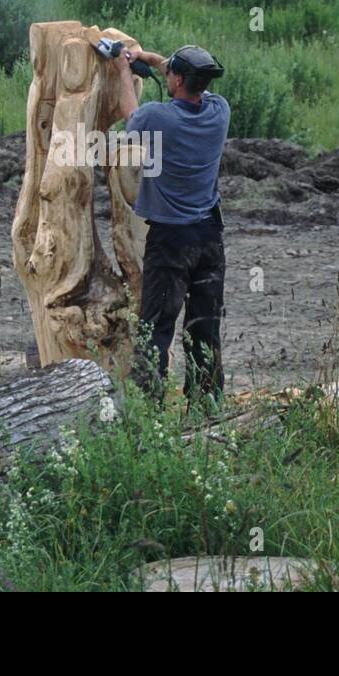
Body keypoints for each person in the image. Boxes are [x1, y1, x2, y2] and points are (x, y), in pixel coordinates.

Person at [110, 43, 229, 408]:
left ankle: (147, 411)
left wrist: (121, 70)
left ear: (176, 79)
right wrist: (148, 58)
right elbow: (187, 80)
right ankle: (207, 405)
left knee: (155, 328)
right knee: (204, 326)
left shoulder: (156, 119)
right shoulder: (218, 111)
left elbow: (132, 120)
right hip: (209, 237)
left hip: (170, 241)